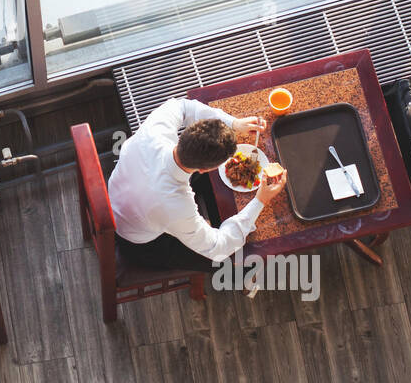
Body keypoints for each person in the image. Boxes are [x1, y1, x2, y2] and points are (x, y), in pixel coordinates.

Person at [106, 97, 287, 271]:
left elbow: (183, 106)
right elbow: (218, 247)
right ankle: (243, 277)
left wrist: (234, 123)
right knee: (232, 261)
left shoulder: (155, 129)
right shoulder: (177, 206)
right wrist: (260, 200)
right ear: (204, 169)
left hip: (118, 195)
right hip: (136, 240)